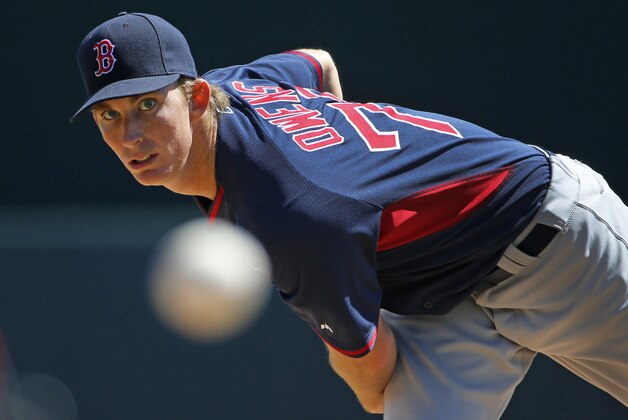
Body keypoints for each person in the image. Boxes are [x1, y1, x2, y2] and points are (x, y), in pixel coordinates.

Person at [72, 12, 628, 419]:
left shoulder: (290, 210)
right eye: (109, 115)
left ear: (194, 97)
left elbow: (369, 377)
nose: (132, 135)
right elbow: (317, 61)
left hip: (555, 243)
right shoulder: (237, 86)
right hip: (439, 292)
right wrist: (344, 150)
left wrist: (337, 173)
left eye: (149, 103)